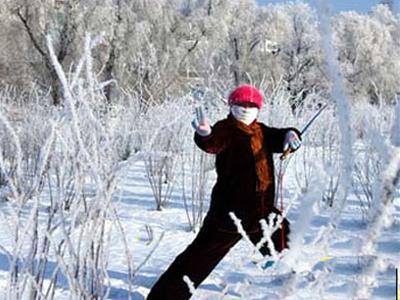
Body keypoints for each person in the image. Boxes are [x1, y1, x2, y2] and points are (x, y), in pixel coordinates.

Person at [147, 84, 302, 300]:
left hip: (262, 211)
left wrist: (291, 135)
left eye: (251, 105)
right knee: (199, 258)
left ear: (258, 108)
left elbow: (281, 136)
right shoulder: (226, 129)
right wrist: (204, 134)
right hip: (229, 214)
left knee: (287, 241)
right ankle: (165, 297)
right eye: (240, 104)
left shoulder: (262, 131)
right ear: (231, 106)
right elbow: (213, 143)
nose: (246, 109)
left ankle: (295, 283)